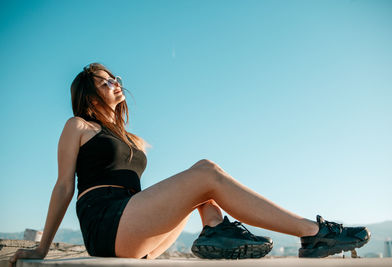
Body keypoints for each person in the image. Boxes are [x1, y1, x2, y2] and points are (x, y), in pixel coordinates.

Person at [9, 63, 370, 265]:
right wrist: (42, 248)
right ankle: (312, 233)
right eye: (107, 81)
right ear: (90, 92)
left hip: (132, 226)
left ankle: (214, 228)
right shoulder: (78, 126)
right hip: (105, 222)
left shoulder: (131, 138)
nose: (117, 84)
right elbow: (63, 187)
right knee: (206, 171)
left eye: (117, 78)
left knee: (203, 188)